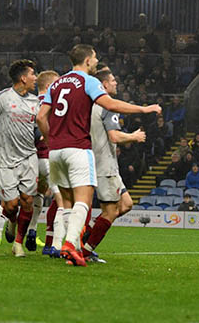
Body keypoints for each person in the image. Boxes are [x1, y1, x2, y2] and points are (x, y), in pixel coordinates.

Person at [36, 44, 161, 267]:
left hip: (55, 151)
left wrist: (51, 139)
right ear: (86, 61)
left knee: (67, 202)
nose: (96, 62)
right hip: (79, 150)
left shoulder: (56, 83)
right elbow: (111, 105)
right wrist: (143, 109)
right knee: (84, 202)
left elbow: (40, 117)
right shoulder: (89, 82)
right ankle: (73, 246)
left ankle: (71, 245)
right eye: (94, 58)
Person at [81, 69, 146, 262]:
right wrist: (134, 136)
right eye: (113, 80)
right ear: (104, 85)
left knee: (126, 204)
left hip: (99, 162)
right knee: (110, 211)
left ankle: (87, 234)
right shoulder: (108, 105)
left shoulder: (88, 105)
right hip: (104, 165)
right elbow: (115, 135)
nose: (116, 83)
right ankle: (85, 251)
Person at [0, 60, 40, 258]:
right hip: (6, 159)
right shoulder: (2, 98)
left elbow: (36, 128)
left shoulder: (34, 101)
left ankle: (18, 244)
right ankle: (12, 222)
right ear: (23, 78)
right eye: (32, 74)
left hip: (29, 158)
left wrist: (43, 136)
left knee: (28, 201)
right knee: (11, 205)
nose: (35, 78)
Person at [32, 70, 64, 257]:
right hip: (51, 156)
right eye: (58, 82)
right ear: (50, 84)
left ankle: (26, 232)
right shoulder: (53, 104)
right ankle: (55, 245)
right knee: (62, 200)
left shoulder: (28, 102)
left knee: (32, 198)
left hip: (30, 159)